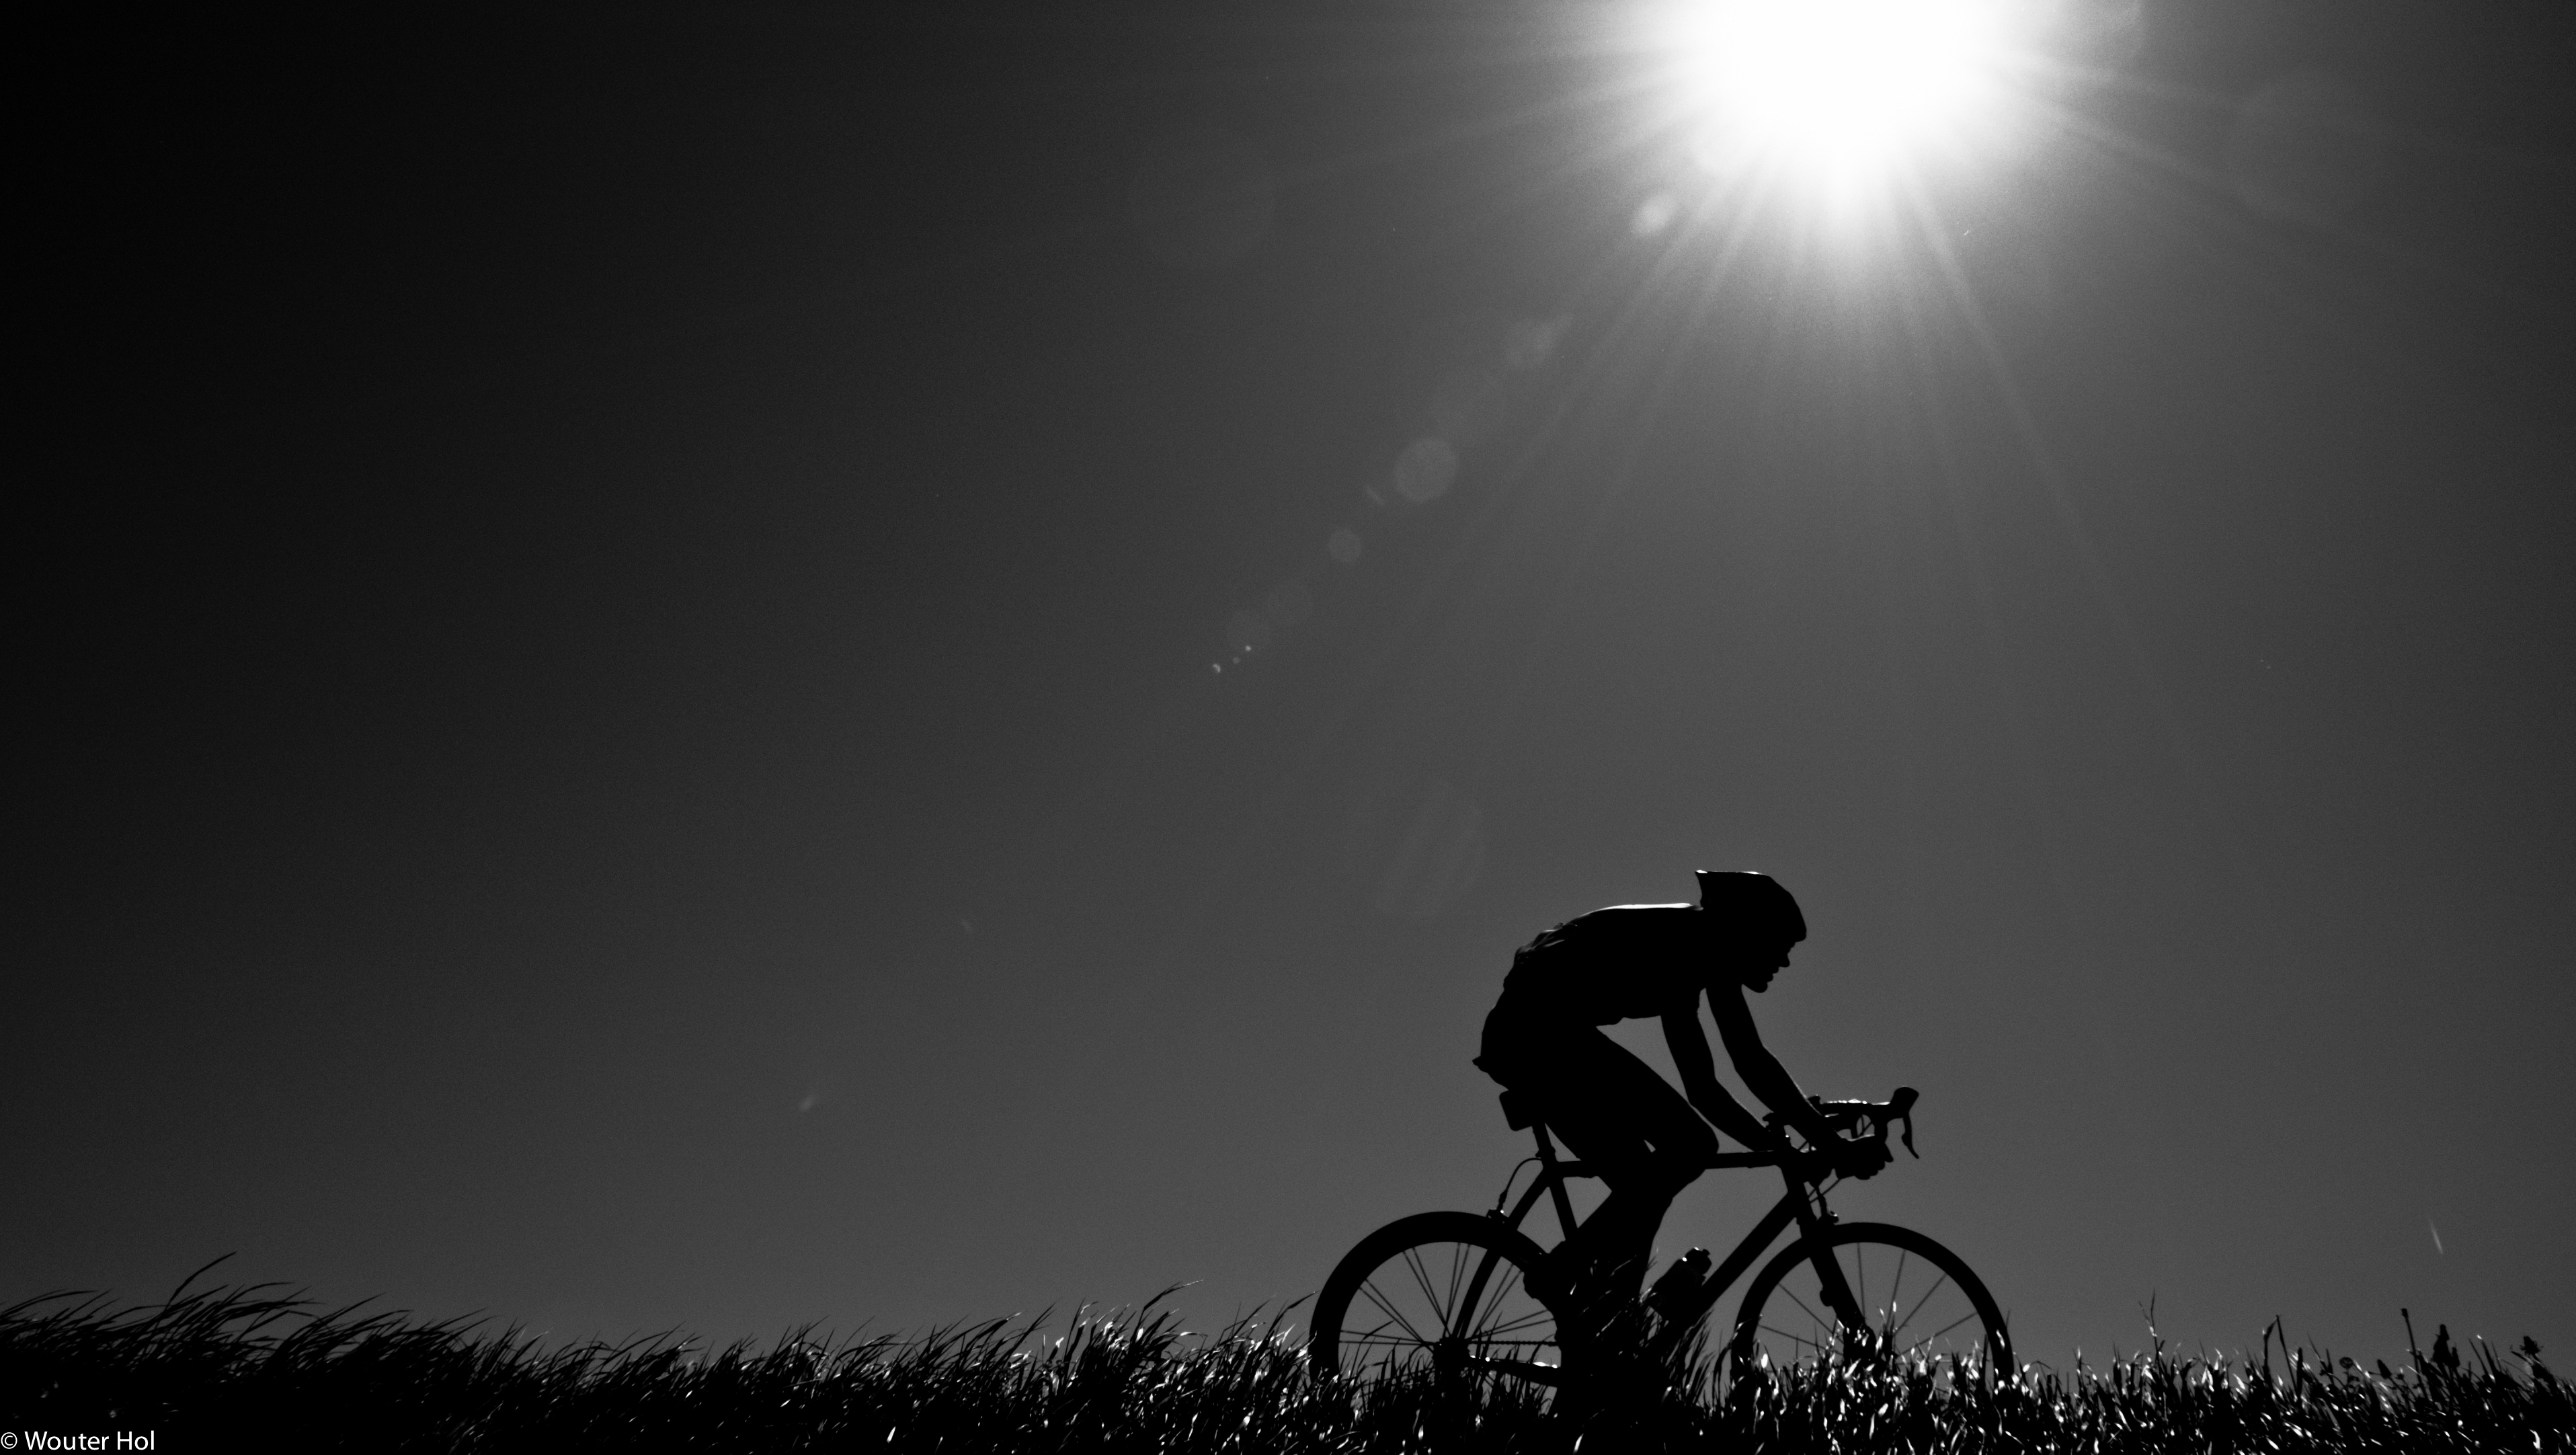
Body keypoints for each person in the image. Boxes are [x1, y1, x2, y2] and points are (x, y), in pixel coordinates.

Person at [1473, 869, 1888, 1327]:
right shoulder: (1690, 943)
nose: (1785, 962)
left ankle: (1606, 1333)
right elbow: (1724, 1077)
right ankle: (1561, 1272)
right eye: (1780, 945)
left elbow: (1732, 1070)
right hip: (1535, 1032)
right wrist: (1819, 1144)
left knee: (1647, 1186)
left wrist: (1791, 1143)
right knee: (1689, 1145)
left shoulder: (1701, 945)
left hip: (1532, 1032)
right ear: (1747, 930)